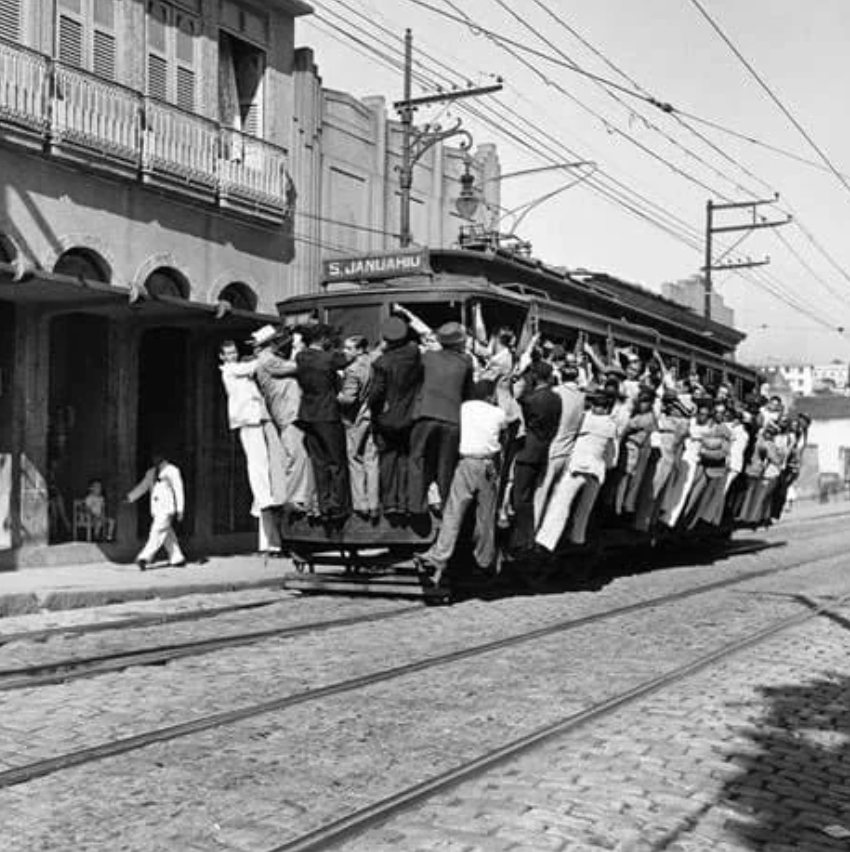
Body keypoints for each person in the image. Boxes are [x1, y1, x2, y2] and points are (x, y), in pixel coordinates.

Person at [414, 379, 507, 585]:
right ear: (490, 396)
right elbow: (507, 426)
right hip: (487, 465)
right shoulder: (497, 412)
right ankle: (484, 560)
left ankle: (439, 556)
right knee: (485, 516)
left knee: (453, 513)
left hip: (466, 463)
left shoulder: (463, 408)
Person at [219, 338, 284, 553]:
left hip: (255, 419)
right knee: (257, 462)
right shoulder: (229, 370)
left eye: (234, 352)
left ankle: (267, 530)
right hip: (246, 420)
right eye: (228, 353)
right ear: (222, 357)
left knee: (262, 462)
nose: (232, 356)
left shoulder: (241, 372)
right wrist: (265, 353)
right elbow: (253, 365)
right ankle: (263, 498)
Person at [535, 387, 618, 551]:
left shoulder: (585, 418)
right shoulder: (611, 426)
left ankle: (546, 540)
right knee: (584, 509)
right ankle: (577, 538)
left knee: (561, 504)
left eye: (596, 404)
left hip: (577, 466)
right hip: (596, 470)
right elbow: (611, 458)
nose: (594, 407)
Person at [408, 321, 475, 515]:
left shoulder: (426, 357)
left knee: (417, 458)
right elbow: (468, 392)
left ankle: (416, 506)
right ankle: (447, 506)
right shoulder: (466, 361)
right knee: (446, 465)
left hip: (426, 413)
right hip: (452, 418)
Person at [252, 326, 315, 514]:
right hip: (288, 413)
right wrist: (297, 348)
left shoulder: (271, 358)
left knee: (299, 454)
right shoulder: (267, 360)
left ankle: (300, 496)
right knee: (296, 455)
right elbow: (297, 366)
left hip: (291, 412)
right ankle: (295, 497)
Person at [369, 317, 422, 516]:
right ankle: (404, 502)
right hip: (410, 415)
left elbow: (376, 393)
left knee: (388, 459)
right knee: (406, 458)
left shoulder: (382, 363)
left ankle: (390, 502)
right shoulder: (414, 354)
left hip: (387, 417)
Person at [511, 359, 561, 551]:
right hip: (542, 451)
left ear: (535, 377)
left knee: (520, 498)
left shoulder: (531, 400)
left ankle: (523, 540)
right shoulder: (556, 399)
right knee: (528, 497)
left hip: (526, 452)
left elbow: (518, 403)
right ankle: (523, 538)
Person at [338, 335, 380, 519]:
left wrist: (334, 394)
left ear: (359, 350)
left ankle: (360, 503)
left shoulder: (352, 370)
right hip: (373, 415)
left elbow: (348, 398)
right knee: (372, 458)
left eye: (349, 348)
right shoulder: (374, 362)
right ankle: (374, 502)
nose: (344, 352)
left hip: (356, 418)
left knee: (354, 458)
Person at [126, 450, 185, 570]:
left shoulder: (172, 470)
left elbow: (178, 490)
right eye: (154, 456)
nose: (155, 458)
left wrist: (180, 509)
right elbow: (143, 487)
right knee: (167, 535)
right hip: (156, 509)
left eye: (158, 456)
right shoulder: (151, 472)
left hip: (167, 508)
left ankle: (144, 558)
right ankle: (177, 558)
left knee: (156, 532)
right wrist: (130, 497)